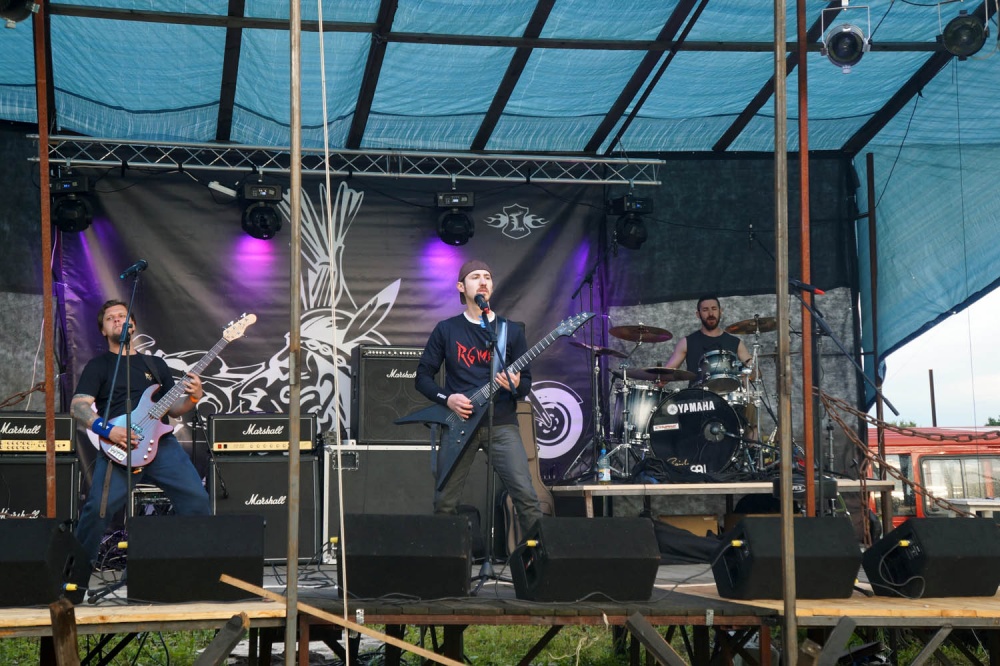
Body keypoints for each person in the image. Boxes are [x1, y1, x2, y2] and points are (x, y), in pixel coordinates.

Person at [72, 299, 212, 566]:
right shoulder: (98, 365)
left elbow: (173, 409)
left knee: (196, 499)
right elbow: (78, 406)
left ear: (133, 325)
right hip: (120, 445)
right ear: (103, 330)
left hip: (162, 444)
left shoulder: (155, 365)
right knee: (97, 510)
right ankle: (74, 577)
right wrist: (109, 430)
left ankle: (196, 570)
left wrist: (194, 398)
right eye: (110, 318)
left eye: (122, 315)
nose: (117, 319)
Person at [415, 260, 542, 537]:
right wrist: (448, 399)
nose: (483, 281)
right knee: (445, 503)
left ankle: (537, 562)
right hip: (459, 424)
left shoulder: (510, 330)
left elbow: (525, 384)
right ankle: (446, 561)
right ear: (461, 287)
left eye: (487, 276)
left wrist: (516, 384)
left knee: (527, 498)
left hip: (502, 424)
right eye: (475, 277)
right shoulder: (447, 329)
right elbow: (422, 377)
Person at [664, 295, 754, 383]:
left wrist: (750, 370)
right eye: (705, 310)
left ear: (720, 311)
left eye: (714, 309)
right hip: (696, 392)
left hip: (729, 392)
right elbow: (666, 374)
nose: (711, 314)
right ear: (698, 314)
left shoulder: (735, 342)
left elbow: (754, 374)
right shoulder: (686, 342)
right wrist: (660, 379)